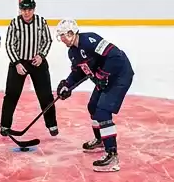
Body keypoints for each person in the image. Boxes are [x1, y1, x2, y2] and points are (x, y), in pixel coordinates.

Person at [54, 19, 134, 172]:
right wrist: (67, 84)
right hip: (104, 79)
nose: (62, 39)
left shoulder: (90, 39)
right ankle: (101, 139)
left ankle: (112, 154)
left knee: (102, 111)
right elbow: (79, 72)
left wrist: (102, 74)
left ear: (71, 33)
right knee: (93, 107)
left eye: (63, 35)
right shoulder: (72, 52)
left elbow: (115, 56)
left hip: (119, 75)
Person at [1, 0, 57, 137]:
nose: (26, 12)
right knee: (11, 95)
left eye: (29, 9)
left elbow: (47, 40)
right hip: (19, 62)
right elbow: (9, 44)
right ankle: (5, 125)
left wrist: (41, 56)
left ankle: (52, 124)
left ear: (34, 9)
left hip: (37, 62)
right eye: (24, 9)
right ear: (20, 10)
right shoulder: (14, 23)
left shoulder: (41, 21)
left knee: (45, 95)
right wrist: (16, 63)